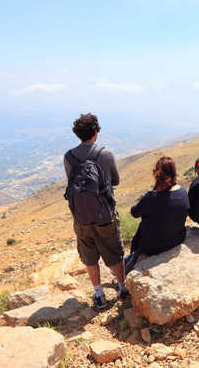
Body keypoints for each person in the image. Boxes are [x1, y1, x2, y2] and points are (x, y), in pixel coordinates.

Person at [64, 113, 128, 309]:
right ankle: (122, 289)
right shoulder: (105, 153)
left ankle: (99, 295)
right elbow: (115, 181)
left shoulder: (69, 156)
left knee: (89, 256)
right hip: (105, 215)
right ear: (96, 132)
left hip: (81, 218)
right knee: (115, 253)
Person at [125, 156, 189, 273]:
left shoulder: (152, 197)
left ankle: (127, 267)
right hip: (177, 239)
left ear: (158, 174)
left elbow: (134, 213)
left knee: (139, 237)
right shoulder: (182, 191)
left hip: (154, 246)